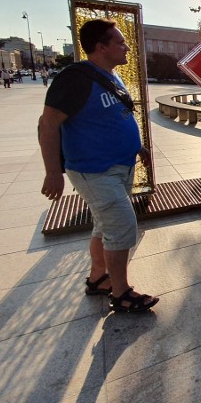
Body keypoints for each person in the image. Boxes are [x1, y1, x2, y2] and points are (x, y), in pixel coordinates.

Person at [38, 19, 158, 313]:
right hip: (95, 170)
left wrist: (137, 146)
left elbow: (113, 116)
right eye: (120, 42)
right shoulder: (76, 78)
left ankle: (98, 278)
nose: (126, 46)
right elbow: (47, 124)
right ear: (101, 47)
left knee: (104, 226)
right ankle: (121, 294)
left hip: (119, 166)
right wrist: (53, 172)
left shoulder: (110, 76)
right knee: (122, 226)